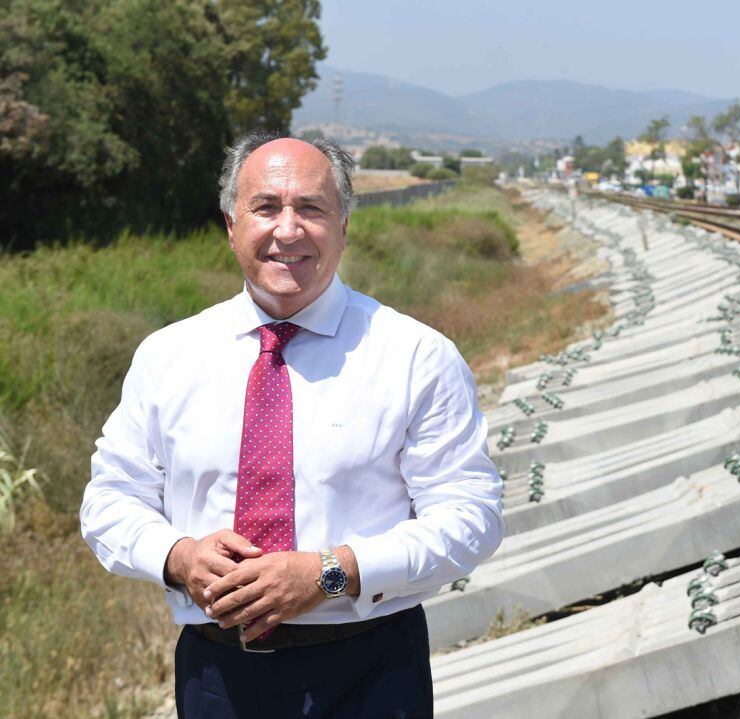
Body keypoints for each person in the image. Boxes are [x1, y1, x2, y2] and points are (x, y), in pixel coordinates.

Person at [80, 132, 504, 718]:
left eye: (311, 208)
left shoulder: (415, 357)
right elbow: (109, 500)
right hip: (215, 677)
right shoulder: (168, 356)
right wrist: (179, 557)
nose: (288, 230)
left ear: (345, 226)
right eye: (265, 207)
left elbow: (470, 519)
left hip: (371, 672)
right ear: (231, 224)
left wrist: (331, 574)